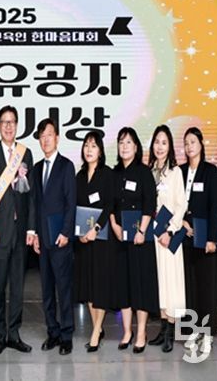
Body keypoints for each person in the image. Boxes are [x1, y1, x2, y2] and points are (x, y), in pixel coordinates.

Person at [0, 105, 36, 356]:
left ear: (17, 125)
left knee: (17, 288)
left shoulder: (26, 154)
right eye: (4, 122)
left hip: (21, 231)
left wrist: (31, 229)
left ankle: (14, 334)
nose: (8, 126)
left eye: (12, 121)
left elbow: (31, 196)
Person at [73, 131, 122, 352]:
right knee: (89, 287)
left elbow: (110, 204)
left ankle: (95, 332)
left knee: (99, 286)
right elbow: (75, 207)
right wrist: (79, 232)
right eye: (86, 145)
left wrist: (96, 229)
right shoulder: (79, 176)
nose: (89, 149)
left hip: (102, 240)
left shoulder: (107, 174)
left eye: (93, 146)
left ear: (100, 151)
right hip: (84, 241)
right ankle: (97, 328)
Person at [31, 118, 76, 355]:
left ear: (57, 137)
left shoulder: (66, 166)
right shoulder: (37, 168)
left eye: (49, 135)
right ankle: (53, 332)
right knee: (47, 290)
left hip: (60, 239)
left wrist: (66, 232)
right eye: (42, 136)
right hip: (43, 239)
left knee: (64, 289)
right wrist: (35, 234)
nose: (45, 139)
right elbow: (35, 204)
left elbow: (71, 203)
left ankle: (67, 334)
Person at [112, 127, 157, 354]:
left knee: (140, 286)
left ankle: (141, 333)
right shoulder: (115, 172)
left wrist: (142, 230)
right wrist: (114, 226)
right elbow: (110, 205)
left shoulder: (143, 172)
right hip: (120, 239)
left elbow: (150, 203)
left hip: (141, 239)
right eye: (121, 142)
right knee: (123, 286)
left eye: (128, 142)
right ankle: (127, 332)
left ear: (136, 146)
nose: (124, 146)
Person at [179, 127, 217, 355]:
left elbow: (214, 207)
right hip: (185, 238)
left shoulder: (210, 171)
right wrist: (182, 223)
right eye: (186, 143)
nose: (189, 146)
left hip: (205, 239)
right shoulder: (180, 171)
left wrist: (212, 238)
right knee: (190, 288)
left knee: (207, 288)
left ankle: (208, 333)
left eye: (193, 142)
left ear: (201, 144)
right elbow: (176, 203)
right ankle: (194, 331)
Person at [146, 125, 187, 353]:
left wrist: (169, 231)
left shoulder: (176, 172)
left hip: (168, 236)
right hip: (152, 234)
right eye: (157, 142)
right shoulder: (149, 171)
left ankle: (171, 332)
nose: (159, 147)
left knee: (171, 283)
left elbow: (181, 205)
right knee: (159, 283)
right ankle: (162, 330)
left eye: (164, 142)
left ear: (170, 146)